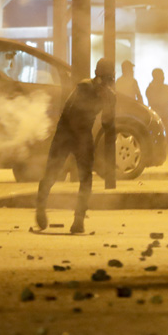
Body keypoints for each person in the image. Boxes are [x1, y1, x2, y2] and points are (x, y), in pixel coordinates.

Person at [35, 58, 116, 234]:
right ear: (97, 76)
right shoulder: (84, 87)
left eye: (109, 80)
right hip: (66, 132)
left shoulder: (110, 95)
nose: (106, 84)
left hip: (84, 134)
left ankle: (79, 219)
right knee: (52, 172)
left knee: (86, 178)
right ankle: (40, 207)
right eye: (103, 79)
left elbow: (108, 124)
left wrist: (108, 105)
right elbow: (69, 113)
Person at [145, 67, 168, 134]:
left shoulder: (165, 87)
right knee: (156, 134)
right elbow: (154, 102)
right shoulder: (150, 89)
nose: (163, 77)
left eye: (163, 75)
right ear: (156, 76)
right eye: (162, 75)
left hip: (166, 117)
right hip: (156, 117)